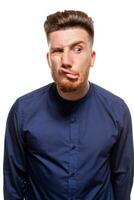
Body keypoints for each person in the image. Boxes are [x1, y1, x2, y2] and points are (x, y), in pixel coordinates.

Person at [3, 10, 134, 200]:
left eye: (77, 49)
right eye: (57, 51)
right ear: (49, 59)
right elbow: (12, 185)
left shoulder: (117, 111)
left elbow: (122, 183)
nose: (66, 61)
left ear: (92, 58)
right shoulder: (22, 111)